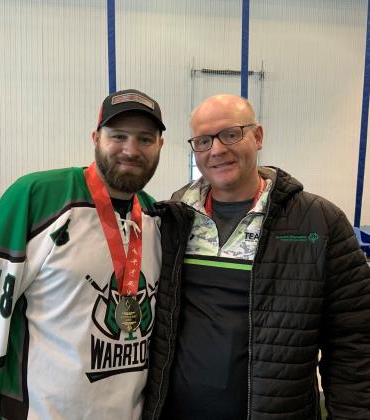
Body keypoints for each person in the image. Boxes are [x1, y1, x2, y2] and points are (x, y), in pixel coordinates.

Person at [143, 94, 370, 420]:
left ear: (258, 137)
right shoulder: (175, 220)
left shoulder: (319, 222)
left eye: (231, 134)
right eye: (203, 141)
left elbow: (354, 342)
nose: (217, 150)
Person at [0, 89, 166, 419]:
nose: (131, 150)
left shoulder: (156, 218)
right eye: (118, 136)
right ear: (96, 138)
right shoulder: (36, 197)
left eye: (145, 139)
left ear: (160, 146)